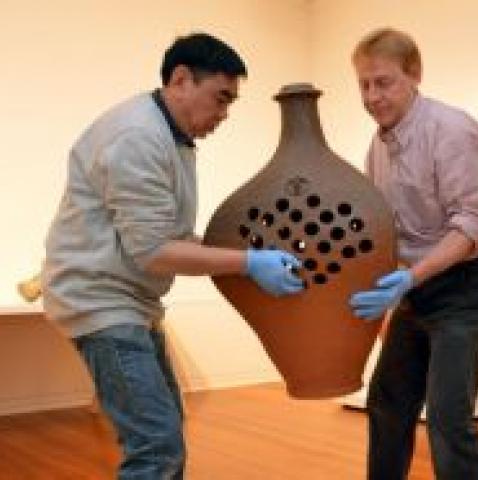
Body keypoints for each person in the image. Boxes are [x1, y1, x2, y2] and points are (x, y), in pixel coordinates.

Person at [42, 32, 304, 479]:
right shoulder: (138, 137)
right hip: (102, 303)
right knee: (156, 446)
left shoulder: (171, 137)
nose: (223, 115)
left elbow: (173, 237)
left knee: (162, 435)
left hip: (128, 302)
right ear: (180, 79)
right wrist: (247, 263)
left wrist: (251, 254)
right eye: (220, 99)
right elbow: (156, 253)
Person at [349, 28, 478, 480]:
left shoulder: (452, 131)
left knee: (447, 418)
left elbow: (473, 225)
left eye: (383, 82)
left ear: (414, 74)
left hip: (465, 287)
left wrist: (410, 277)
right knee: (387, 403)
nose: (372, 96)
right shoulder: (378, 144)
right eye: (363, 84)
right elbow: (384, 223)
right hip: (418, 286)